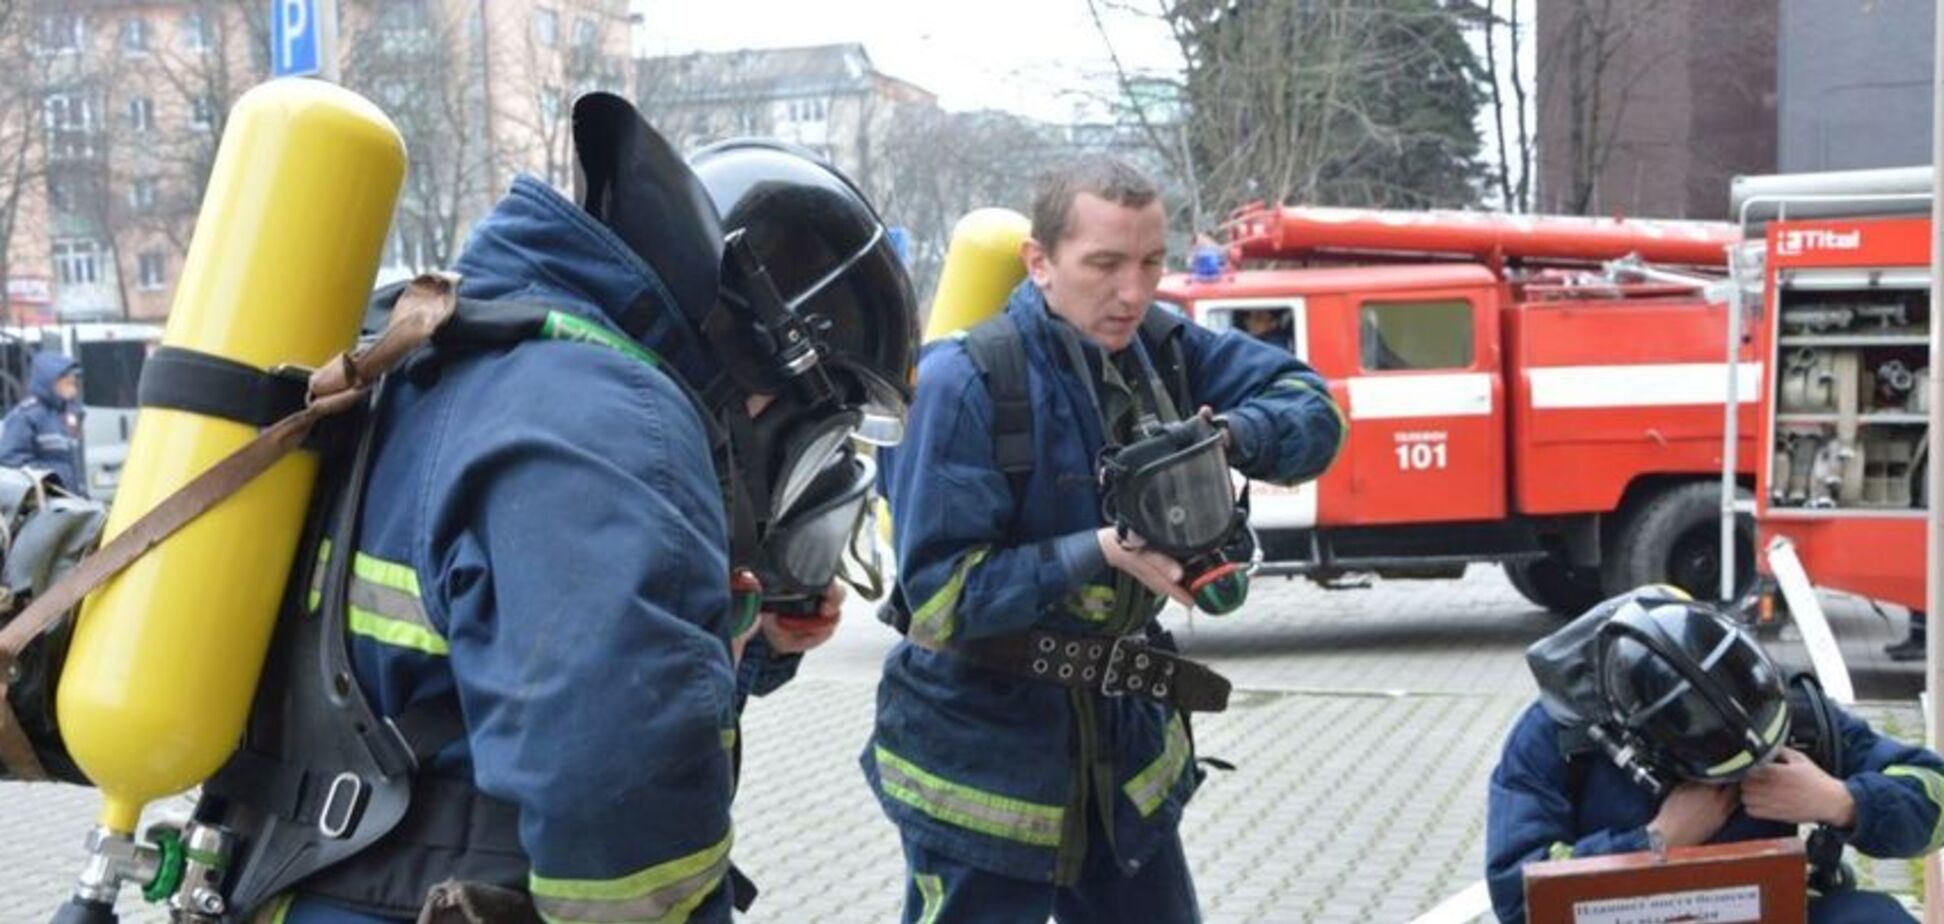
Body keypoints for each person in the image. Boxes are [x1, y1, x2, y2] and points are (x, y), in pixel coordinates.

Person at [226, 94, 916, 923]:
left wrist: (752, 638)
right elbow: (622, 814)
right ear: (758, 350)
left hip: (307, 872)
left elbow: (505, 646)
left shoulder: (471, 348)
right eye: (814, 412)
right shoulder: (611, 418)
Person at [864, 155, 1346, 923]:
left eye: (1153, 262)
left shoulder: (1165, 350)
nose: (1134, 292)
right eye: (1105, 264)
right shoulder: (962, 387)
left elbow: (1314, 409)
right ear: (1040, 263)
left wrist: (1229, 436)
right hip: (984, 772)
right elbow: (941, 601)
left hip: (1120, 765)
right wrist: (1102, 550)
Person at [1486, 591, 1944, 924]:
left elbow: (1935, 794)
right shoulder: (1560, 735)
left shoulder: (1775, 705)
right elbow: (1517, 896)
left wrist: (1840, 801)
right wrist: (1654, 843)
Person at [0, 352, 86, 496]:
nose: (73, 384)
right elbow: (10, 460)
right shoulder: (27, 415)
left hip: (67, 500)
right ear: (49, 381)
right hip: (43, 503)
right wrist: (49, 480)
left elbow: (70, 462)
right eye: (67, 381)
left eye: (73, 381)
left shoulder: (64, 414)